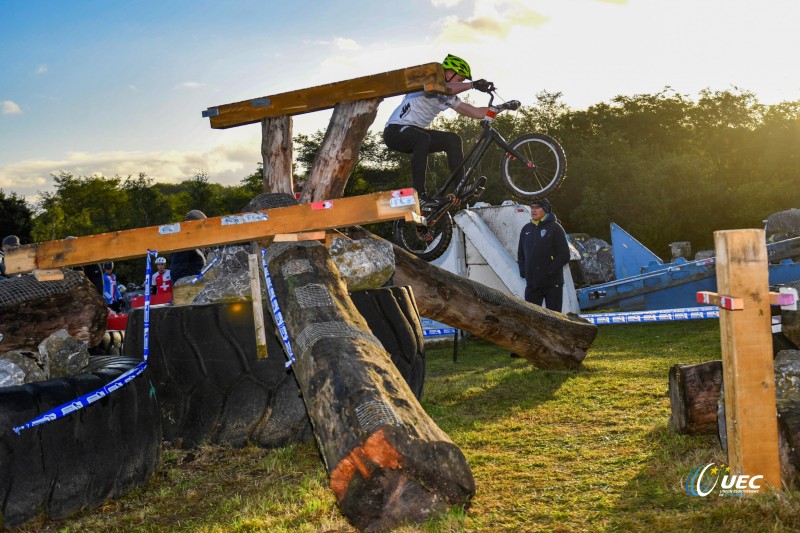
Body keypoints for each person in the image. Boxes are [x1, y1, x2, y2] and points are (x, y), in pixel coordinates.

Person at [383, 54, 497, 205]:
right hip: (395, 131)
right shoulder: (430, 82)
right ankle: (419, 195)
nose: (461, 82)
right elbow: (447, 88)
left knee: (453, 139)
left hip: (416, 134)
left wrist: (500, 108)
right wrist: (473, 85)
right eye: (460, 79)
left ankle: (461, 186)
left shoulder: (448, 97)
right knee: (423, 138)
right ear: (449, 73)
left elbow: (475, 112)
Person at [517, 198, 571, 313]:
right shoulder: (526, 229)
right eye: (532, 207)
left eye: (537, 207)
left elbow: (564, 255)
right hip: (532, 284)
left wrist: (549, 270)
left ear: (545, 209)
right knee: (531, 318)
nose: (533, 210)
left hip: (552, 284)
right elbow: (521, 253)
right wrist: (523, 270)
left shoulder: (555, 228)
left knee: (554, 319)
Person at [170, 209, 207, 282]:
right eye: (201, 226)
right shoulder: (184, 244)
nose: (204, 230)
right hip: (189, 289)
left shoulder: (194, 244)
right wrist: (195, 281)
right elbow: (176, 274)